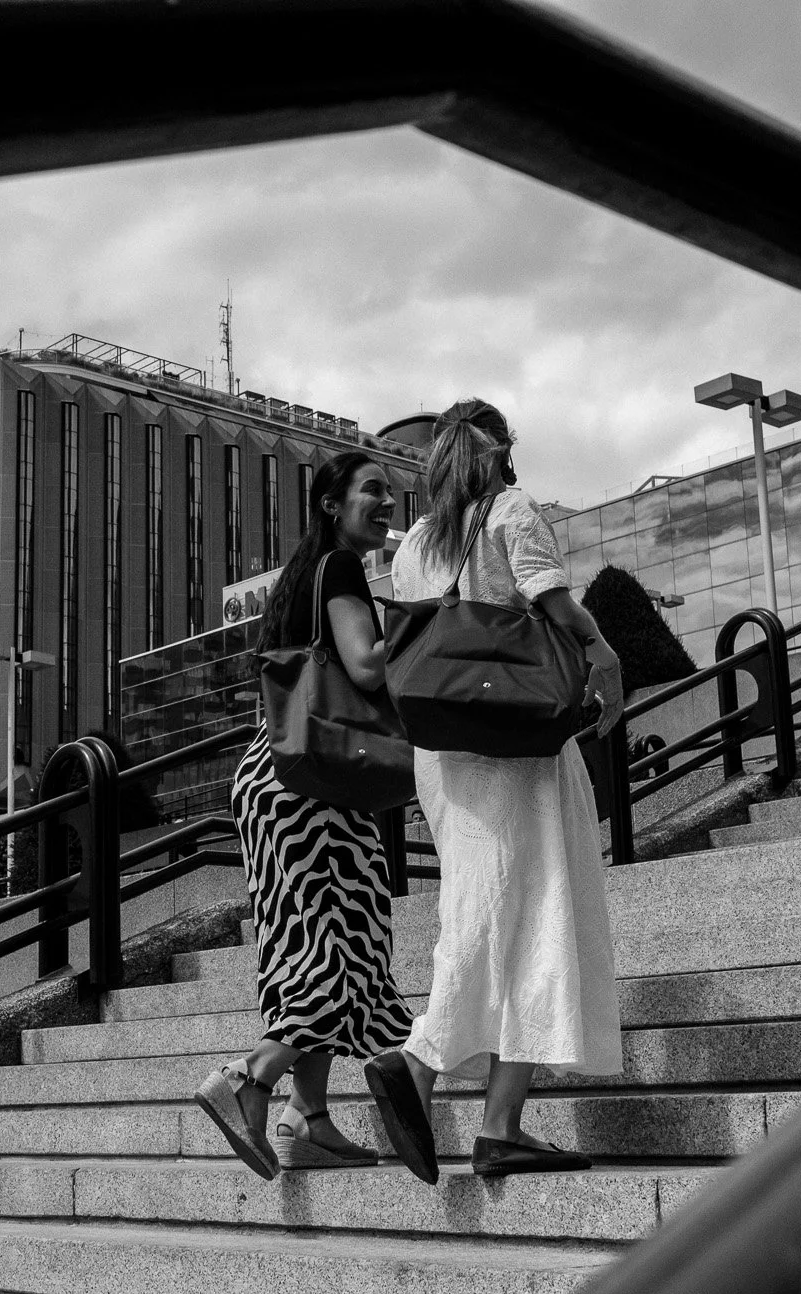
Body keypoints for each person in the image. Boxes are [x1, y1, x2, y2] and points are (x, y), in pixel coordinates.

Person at [363, 398, 624, 1181]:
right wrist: (605, 653)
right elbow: (553, 601)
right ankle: (424, 1061)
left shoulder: (414, 545)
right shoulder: (512, 510)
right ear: (504, 448)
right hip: (517, 742)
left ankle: (497, 1122)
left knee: (485, 908)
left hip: (444, 751)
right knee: (536, 907)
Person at [194, 449, 418, 1181]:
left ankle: (309, 1113)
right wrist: (427, 626)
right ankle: (251, 1077)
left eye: (391, 492)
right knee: (343, 948)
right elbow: (366, 667)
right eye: (373, 491)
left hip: (280, 775)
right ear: (331, 502)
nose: (388, 502)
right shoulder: (345, 570)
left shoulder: (305, 575)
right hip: (311, 791)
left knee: (326, 943)